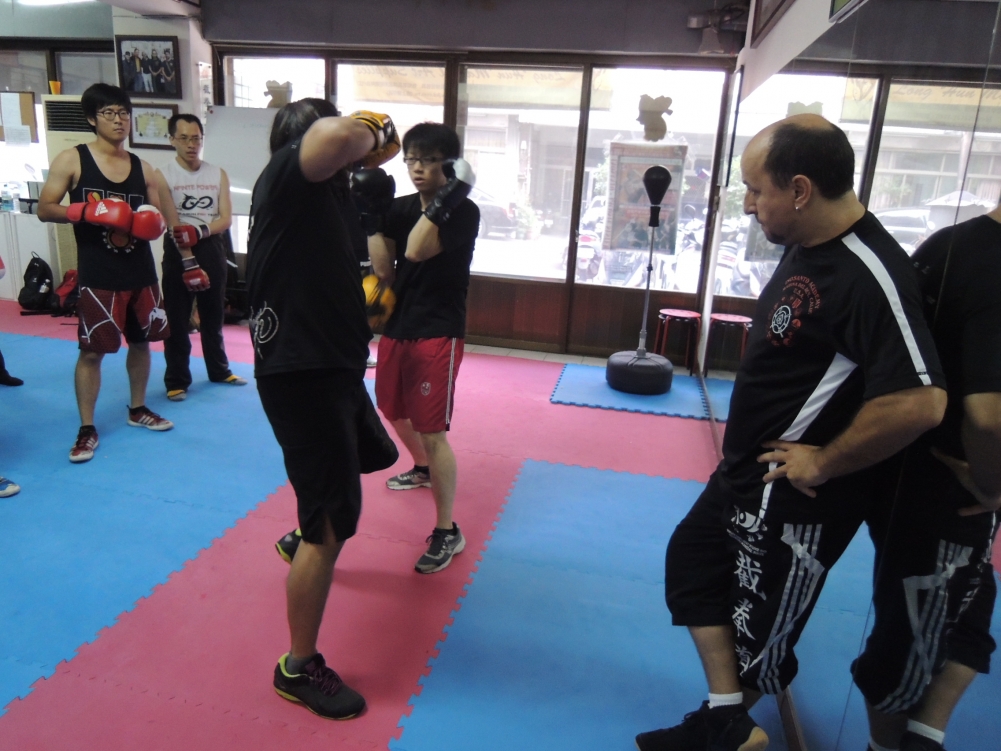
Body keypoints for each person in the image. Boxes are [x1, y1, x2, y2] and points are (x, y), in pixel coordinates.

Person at [636, 114, 948, 751]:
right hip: (747, 470)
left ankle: (729, 730)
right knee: (692, 563)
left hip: (794, 494)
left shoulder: (871, 273)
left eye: (757, 190)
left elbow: (922, 401)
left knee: (762, 629)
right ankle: (727, 719)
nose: (749, 205)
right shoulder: (807, 245)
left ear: (800, 189)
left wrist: (825, 461)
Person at [246, 97, 399, 720]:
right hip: (303, 374)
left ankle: (303, 529)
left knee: (367, 458)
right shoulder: (290, 172)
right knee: (330, 526)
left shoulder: (325, 194)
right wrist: (374, 130)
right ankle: (297, 666)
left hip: (329, 368)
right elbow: (336, 137)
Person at [853, 208, 1001, 751]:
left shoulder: (949, 242)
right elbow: (988, 418)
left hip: (906, 474)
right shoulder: (992, 265)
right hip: (948, 490)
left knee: (969, 612)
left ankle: (925, 734)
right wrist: (994, 486)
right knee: (906, 646)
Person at [362, 123, 480, 574]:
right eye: (411, 159)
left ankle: (447, 530)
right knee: (391, 408)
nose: (416, 168)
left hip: (438, 328)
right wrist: (371, 218)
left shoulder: (463, 211)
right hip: (398, 324)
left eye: (428, 160)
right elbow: (384, 270)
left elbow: (414, 251)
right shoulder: (399, 207)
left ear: (449, 164)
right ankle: (423, 468)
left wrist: (447, 198)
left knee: (433, 430)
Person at [37, 83, 172, 464]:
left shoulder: (144, 168)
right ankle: (86, 428)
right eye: (109, 113)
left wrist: (153, 224)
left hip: (141, 273)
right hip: (98, 275)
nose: (119, 120)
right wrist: (83, 211)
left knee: (142, 344)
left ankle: (137, 408)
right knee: (92, 353)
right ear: (91, 119)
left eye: (124, 113)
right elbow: (45, 208)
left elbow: (159, 218)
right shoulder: (73, 159)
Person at [155, 113, 246, 401]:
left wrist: (200, 231)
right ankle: (177, 380)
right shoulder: (163, 175)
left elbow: (225, 218)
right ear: (172, 140)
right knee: (177, 318)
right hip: (177, 250)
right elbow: (173, 223)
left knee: (213, 315)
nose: (191, 144)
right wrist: (188, 260)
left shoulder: (217, 173)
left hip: (211, 246)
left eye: (196, 138)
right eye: (184, 138)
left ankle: (219, 370)